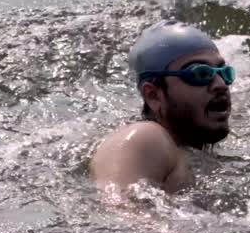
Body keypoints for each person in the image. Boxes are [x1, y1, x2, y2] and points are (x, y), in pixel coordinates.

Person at [90, 21, 235, 193]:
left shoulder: (189, 154)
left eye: (223, 72)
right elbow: (118, 209)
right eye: (200, 74)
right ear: (153, 95)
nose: (220, 84)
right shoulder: (146, 137)